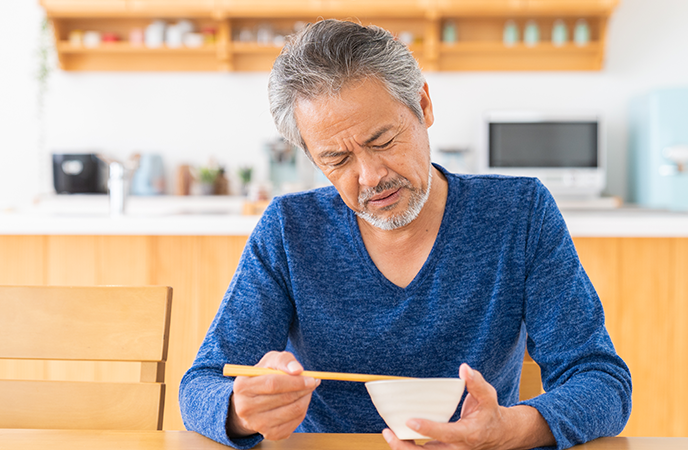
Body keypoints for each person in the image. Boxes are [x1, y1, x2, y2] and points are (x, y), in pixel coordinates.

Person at [179, 19, 631, 450]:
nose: (371, 177)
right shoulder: (289, 229)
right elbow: (200, 384)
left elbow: (602, 381)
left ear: (424, 105)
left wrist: (508, 431)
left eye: (382, 141)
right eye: (337, 159)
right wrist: (240, 410)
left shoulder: (519, 213)